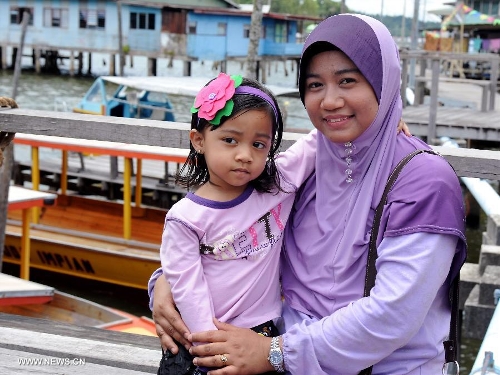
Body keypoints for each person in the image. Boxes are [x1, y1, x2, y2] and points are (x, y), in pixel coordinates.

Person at [148, 14, 466, 374]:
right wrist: (166, 281)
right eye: (315, 85)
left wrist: (276, 353)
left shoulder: (423, 182)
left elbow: (392, 314)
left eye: (348, 81)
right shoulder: (308, 168)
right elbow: (232, 229)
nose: (330, 101)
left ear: (384, 83)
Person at [156, 72, 318, 375]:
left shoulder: (276, 187)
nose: (245, 155)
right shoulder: (185, 217)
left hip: (262, 337)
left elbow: (316, 141)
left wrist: (386, 124)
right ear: (199, 140)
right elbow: (188, 289)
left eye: (259, 144)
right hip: (200, 344)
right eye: (230, 140)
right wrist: (212, 349)